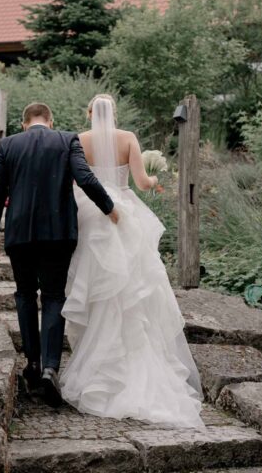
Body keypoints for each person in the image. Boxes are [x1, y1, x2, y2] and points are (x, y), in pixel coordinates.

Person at [58, 94, 204, 427]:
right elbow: (141, 182)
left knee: (95, 289)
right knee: (133, 292)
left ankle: (96, 368)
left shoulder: (79, 140)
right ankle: (137, 364)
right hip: (122, 213)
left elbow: (74, 181)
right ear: (115, 113)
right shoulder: (128, 139)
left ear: (89, 112)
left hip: (89, 214)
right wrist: (153, 178)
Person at [0, 102, 119, 407]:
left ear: (24, 123)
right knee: (55, 297)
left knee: (26, 295)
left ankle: (31, 364)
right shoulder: (67, 139)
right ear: (51, 120)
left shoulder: (8, 145)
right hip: (58, 233)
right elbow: (85, 178)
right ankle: (50, 369)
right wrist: (110, 208)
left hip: (20, 234)